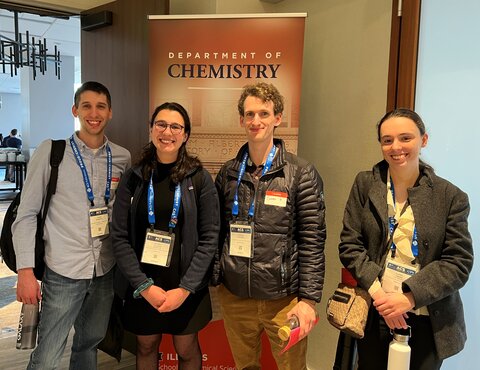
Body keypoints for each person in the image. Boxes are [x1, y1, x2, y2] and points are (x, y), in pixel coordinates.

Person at [338, 108, 473, 370]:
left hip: (427, 317)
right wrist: (381, 297)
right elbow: (349, 245)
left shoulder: (451, 197)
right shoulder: (366, 184)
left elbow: (458, 262)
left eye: (405, 138)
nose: (395, 147)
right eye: (387, 140)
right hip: (376, 311)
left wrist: (408, 298)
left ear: (423, 140)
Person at [12, 81, 131, 369]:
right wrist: (25, 271)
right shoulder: (52, 152)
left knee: (88, 344)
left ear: (110, 112)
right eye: (87, 106)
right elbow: (26, 214)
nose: (94, 113)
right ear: (75, 110)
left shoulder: (122, 157)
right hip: (63, 270)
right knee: (48, 355)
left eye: (101, 106)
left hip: (104, 269)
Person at [213, 82, 326, 370]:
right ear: (241, 120)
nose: (256, 121)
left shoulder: (301, 173)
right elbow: (216, 232)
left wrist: (309, 300)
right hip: (236, 296)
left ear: (278, 118)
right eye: (249, 115)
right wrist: (218, 275)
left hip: (284, 299)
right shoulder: (228, 173)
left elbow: (312, 241)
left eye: (264, 113)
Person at [111, 102, 220, 369]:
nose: (167, 131)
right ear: (151, 130)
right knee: (146, 346)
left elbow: (210, 237)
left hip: (185, 286)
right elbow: (119, 236)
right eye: (161, 124)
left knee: (186, 348)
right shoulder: (134, 177)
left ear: (185, 135)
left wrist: (185, 289)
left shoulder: (199, 178)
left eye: (175, 126)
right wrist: (143, 286)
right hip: (143, 284)